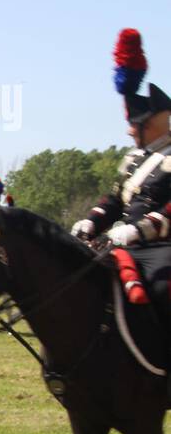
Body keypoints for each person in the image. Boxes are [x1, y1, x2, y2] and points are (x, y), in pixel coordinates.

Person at [72, 29, 171, 312]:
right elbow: (115, 199)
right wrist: (92, 221)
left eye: (134, 126)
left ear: (150, 126)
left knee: (163, 285)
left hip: (161, 248)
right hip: (126, 243)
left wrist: (135, 232)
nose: (129, 132)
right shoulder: (138, 159)